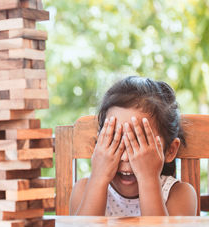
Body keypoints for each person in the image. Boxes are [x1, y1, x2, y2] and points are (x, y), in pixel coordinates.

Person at [69, 76, 197, 216]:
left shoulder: (180, 194)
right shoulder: (83, 190)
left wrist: (148, 179)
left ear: (170, 151)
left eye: (139, 144)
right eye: (115, 141)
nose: (125, 157)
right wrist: (98, 178)